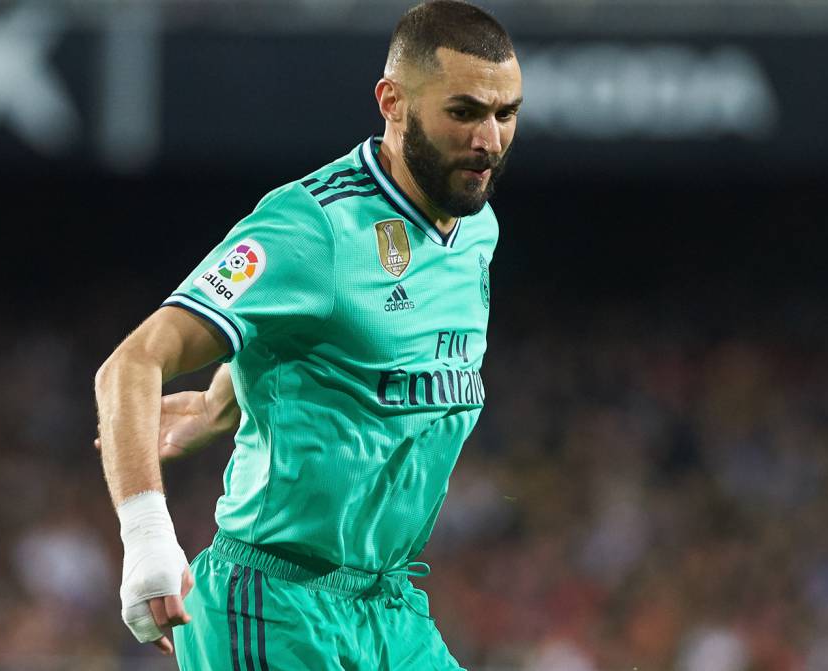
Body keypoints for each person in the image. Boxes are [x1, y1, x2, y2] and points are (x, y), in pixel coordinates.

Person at [93, 1, 522, 668]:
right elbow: (132, 362)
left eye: (505, 113)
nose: (489, 139)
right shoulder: (310, 228)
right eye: (464, 112)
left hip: (390, 605)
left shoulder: (476, 229)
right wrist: (147, 537)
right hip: (272, 605)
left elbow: (333, 334)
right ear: (393, 103)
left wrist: (218, 403)